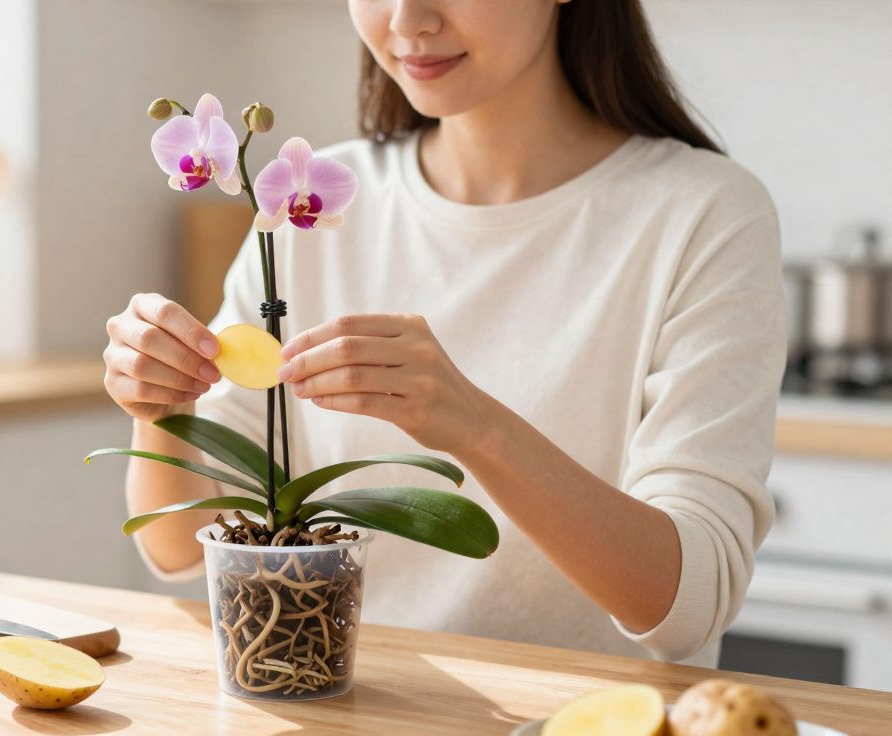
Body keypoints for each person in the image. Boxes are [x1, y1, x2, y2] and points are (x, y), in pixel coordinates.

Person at [101, 0, 784, 667]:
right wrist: (162, 406)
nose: (406, 20)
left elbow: (687, 606)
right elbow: (177, 546)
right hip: (353, 714)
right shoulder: (306, 207)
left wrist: (475, 425)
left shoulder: (705, 214)